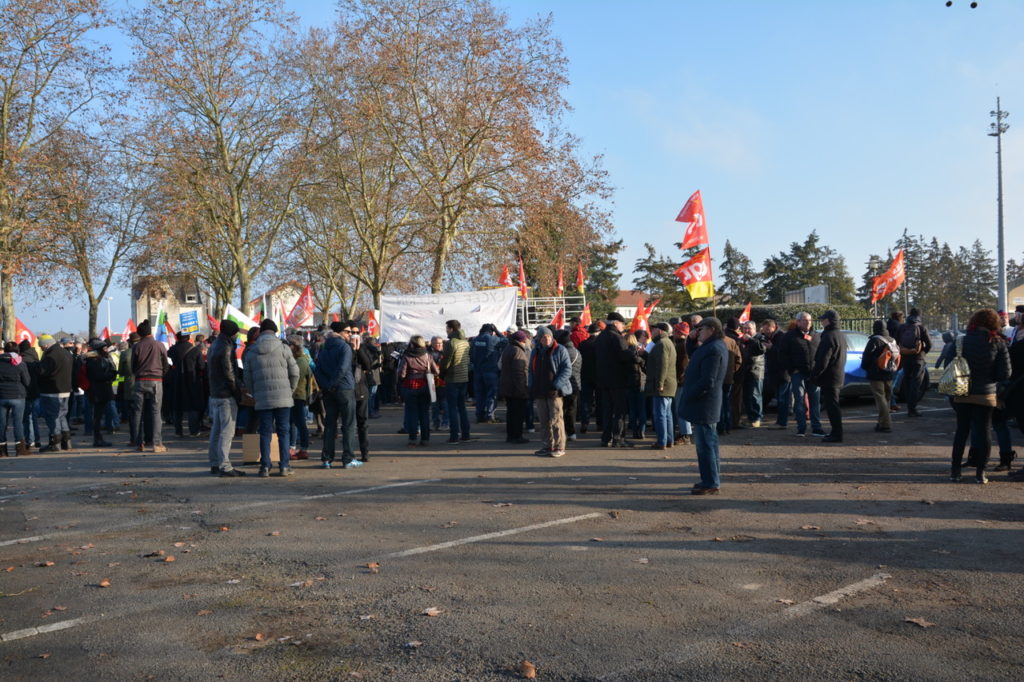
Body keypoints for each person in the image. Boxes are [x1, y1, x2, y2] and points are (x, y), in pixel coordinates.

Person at [949, 309, 1010, 483]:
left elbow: (950, 364)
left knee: (961, 431)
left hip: (962, 392)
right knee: (984, 433)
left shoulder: (961, 341)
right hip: (986, 394)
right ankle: (980, 473)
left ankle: (955, 471)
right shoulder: (998, 343)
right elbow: (1005, 374)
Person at [679, 317, 728, 495]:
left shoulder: (714, 348)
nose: (698, 332)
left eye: (701, 329)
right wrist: (691, 340)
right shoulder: (710, 345)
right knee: (708, 444)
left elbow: (709, 380)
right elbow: (694, 355)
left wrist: (689, 394)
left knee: (706, 445)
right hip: (704, 403)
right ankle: (709, 479)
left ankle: (711, 482)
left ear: (711, 329)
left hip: (705, 404)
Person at [245, 319, 299, 477]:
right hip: (283, 397)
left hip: (262, 398)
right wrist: (290, 390)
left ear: (261, 331)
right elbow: (295, 372)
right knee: (284, 432)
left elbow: (247, 377)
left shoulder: (252, 351)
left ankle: (265, 467)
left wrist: (255, 393)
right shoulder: (284, 348)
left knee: (265, 432)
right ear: (275, 331)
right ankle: (284, 465)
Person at [313, 321, 360, 469]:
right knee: (348, 424)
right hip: (344, 388)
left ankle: (327, 458)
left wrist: (326, 385)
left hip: (328, 390)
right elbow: (343, 368)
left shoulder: (324, 347)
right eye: (347, 332)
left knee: (330, 424)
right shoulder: (344, 347)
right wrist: (333, 384)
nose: (350, 334)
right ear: (340, 332)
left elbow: (318, 368)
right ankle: (348, 458)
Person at [206, 319, 245, 477]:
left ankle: (215, 462)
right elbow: (229, 373)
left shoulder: (214, 345)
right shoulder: (226, 347)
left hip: (215, 393)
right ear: (231, 333)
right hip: (225, 395)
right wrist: (237, 391)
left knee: (216, 431)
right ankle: (225, 465)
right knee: (227, 431)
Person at [528, 326, 572, 457]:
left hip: (555, 392)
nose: (546, 339)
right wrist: (531, 385)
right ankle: (547, 446)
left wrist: (556, 384)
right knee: (544, 420)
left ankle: (559, 447)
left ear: (552, 337)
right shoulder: (535, 352)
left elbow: (567, 369)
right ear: (539, 339)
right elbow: (531, 370)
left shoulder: (560, 350)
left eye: (548, 336)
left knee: (556, 419)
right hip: (540, 391)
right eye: (543, 337)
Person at [595, 312, 635, 448]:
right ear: (615, 323)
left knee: (607, 410)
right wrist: (634, 354)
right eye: (622, 324)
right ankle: (619, 439)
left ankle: (605, 438)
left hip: (603, 380)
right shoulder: (617, 338)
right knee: (619, 411)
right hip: (618, 380)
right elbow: (624, 356)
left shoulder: (600, 337)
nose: (623, 326)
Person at [130, 319, 169, 453]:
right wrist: (162, 373)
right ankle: (157, 444)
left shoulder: (136, 347)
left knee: (137, 412)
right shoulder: (159, 345)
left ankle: (138, 443)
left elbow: (133, 366)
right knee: (156, 412)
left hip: (140, 380)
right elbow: (165, 362)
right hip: (156, 380)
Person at [782, 312, 823, 437]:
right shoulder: (790, 336)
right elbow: (783, 354)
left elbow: (821, 353)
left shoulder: (816, 335)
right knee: (799, 400)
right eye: (804, 320)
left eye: (809, 320)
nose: (808, 322)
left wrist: (819, 369)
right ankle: (801, 428)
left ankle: (816, 428)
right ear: (798, 322)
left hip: (814, 373)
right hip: (797, 373)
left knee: (815, 401)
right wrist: (792, 369)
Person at [810, 310, 848, 443]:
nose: (821, 321)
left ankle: (837, 434)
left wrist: (815, 375)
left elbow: (823, 359)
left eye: (823, 319)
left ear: (829, 320)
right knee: (833, 405)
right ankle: (836, 432)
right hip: (837, 374)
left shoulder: (828, 336)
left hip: (830, 376)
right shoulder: (839, 335)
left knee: (832, 406)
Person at [397, 335, 439, 446]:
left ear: (412, 344)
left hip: (410, 386)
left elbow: (402, 374)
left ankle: (412, 438)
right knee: (424, 413)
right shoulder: (427, 356)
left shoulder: (407, 356)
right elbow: (436, 371)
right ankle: (425, 439)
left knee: (412, 414)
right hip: (424, 385)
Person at [38, 334, 75, 453]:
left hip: (51, 391)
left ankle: (55, 443)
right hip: (65, 390)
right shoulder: (66, 353)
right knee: (62, 416)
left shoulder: (50, 355)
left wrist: (35, 367)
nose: (41, 349)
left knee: (52, 417)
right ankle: (67, 442)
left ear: (47, 344)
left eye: (42, 347)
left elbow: (43, 371)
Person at [645, 322, 677, 450]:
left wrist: (660, 383)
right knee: (667, 414)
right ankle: (669, 440)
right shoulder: (667, 342)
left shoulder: (661, 344)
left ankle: (662, 441)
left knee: (660, 414)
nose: (651, 332)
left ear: (659, 330)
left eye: (653, 329)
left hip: (663, 384)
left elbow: (662, 365)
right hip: (669, 383)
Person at [861, 319, 898, 433]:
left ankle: (886, 424)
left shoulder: (874, 340)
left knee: (880, 399)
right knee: (886, 399)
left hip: (876, 374)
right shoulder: (892, 340)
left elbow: (866, 358)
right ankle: (880, 423)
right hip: (889, 373)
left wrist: (866, 368)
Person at [896, 308, 932, 417]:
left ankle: (909, 406)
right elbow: (929, 344)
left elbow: (896, 341)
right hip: (918, 359)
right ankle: (912, 408)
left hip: (905, 357)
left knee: (907, 381)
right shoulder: (921, 327)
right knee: (916, 383)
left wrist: (904, 351)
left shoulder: (902, 327)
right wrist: (922, 353)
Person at [441, 320, 471, 443]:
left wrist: (441, 374)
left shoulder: (450, 343)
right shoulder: (465, 342)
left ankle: (454, 436)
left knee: (452, 408)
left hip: (452, 378)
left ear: (451, 329)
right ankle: (466, 434)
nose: (446, 330)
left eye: (447, 328)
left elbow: (446, 362)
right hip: (464, 377)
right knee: (462, 407)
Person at [84, 339, 117, 448]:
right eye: (104, 348)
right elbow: (98, 376)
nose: (106, 350)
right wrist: (111, 375)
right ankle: (97, 439)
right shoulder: (94, 360)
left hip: (99, 390)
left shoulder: (97, 359)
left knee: (98, 415)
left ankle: (98, 438)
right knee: (97, 416)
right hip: (98, 391)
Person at [0, 341, 31, 457]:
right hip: (18, 396)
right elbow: (27, 381)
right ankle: (20, 449)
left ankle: (2, 450)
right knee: (18, 422)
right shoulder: (20, 363)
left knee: (1, 423)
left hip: (1, 396)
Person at [499, 330, 530, 444]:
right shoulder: (518, 351)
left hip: (508, 386)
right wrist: (522, 390)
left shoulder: (509, 348)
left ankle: (511, 435)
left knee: (511, 413)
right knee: (518, 414)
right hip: (516, 388)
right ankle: (517, 436)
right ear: (522, 340)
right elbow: (519, 373)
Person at [470, 324, 503, 423]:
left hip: (478, 371)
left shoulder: (475, 340)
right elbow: (506, 340)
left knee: (480, 394)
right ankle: (489, 415)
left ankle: (479, 415)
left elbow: (471, 354)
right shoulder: (493, 339)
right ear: (491, 331)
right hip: (491, 371)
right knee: (491, 394)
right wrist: (497, 331)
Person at [351, 326, 374, 462]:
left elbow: (367, 365)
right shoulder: (344, 348)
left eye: (356, 333)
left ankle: (365, 452)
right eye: (351, 332)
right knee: (348, 424)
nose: (354, 335)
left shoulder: (364, 348)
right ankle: (350, 452)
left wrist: (358, 349)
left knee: (362, 422)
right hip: (347, 390)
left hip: (360, 390)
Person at [554, 329, 581, 442]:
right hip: (576, 384)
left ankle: (568, 432)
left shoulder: (563, 352)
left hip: (566, 385)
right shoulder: (576, 351)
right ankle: (571, 432)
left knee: (564, 410)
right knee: (571, 409)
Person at [739, 320, 766, 428]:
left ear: (754, 329)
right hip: (745, 371)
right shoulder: (743, 340)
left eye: (748, 328)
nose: (746, 330)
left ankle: (757, 418)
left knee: (755, 396)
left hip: (756, 371)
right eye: (744, 328)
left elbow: (761, 349)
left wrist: (751, 339)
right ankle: (750, 417)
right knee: (746, 396)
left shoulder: (760, 338)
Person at [288, 334, 312, 461]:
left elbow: (296, 377)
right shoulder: (298, 359)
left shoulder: (301, 360)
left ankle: (303, 448)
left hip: (297, 394)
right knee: (293, 422)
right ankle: (293, 446)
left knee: (299, 422)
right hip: (295, 394)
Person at [577, 322, 602, 434]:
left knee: (586, 401)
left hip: (585, 375)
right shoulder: (601, 344)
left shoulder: (583, 344)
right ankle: (600, 423)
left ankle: (584, 423)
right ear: (599, 332)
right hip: (599, 375)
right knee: (600, 400)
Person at [719, 319, 742, 434]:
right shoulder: (732, 341)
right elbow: (739, 359)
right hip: (728, 377)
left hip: (718, 378)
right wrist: (732, 370)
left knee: (720, 402)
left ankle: (722, 426)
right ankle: (727, 426)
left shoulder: (714, 342)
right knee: (726, 402)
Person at [18, 339, 41, 449]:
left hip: (25, 392)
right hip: (36, 391)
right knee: (34, 417)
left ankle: (30, 440)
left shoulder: (22, 361)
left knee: (27, 418)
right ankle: (37, 439)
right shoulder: (36, 359)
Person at [625, 330, 647, 441]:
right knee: (641, 409)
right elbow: (644, 365)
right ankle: (642, 431)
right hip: (640, 382)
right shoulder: (639, 352)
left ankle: (634, 431)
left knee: (632, 409)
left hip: (629, 383)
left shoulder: (624, 352)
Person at [428, 336, 448, 431]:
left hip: (443, 381)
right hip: (431, 381)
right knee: (434, 403)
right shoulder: (427, 353)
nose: (439, 345)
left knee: (444, 403)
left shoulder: (446, 352)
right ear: (432, 343)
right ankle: (435, 423)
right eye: (437, 343)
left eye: (441, 343)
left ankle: (445, 423)